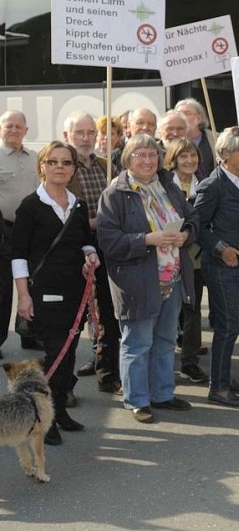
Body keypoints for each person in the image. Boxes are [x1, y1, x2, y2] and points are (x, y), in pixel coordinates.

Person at [96, 134, 197, 424]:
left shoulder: (169, 186)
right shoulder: (115, 194)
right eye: (140, 155)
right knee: (137, 343)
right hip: (137, 281)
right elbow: (109, 241)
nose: (147, 160)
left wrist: (186, 234)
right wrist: (147, 239)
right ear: (128, 159)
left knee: (165, 340)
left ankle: (162, 394)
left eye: (152, 155)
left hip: (172, 277)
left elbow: (193, 219)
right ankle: (138, 400)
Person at [12, 141, 99, 445]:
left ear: (74, 168)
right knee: (56, 354)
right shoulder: (30, 206)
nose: (60, 167)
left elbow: (85, 241)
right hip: (44, 292)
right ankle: (40, 419)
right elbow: (18, 254)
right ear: (43, 166)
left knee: (71, 353)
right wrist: (23, 296)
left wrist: (91, 254)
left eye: (66, 162)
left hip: (75, 292)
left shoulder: (79, 205)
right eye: (53, 162)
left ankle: (59, 410)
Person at [193, 128, 239, 407]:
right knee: (229, 325)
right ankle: (218, 388)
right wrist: (222, 249)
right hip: (222, 266)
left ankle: (224, 377)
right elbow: (197, 224)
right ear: (225, 153)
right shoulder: (214, 184)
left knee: (230, 325)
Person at [63, 111, 123, 396]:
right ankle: (64, 385)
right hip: (74, 249)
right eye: (79, 133)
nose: (86, 138)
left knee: (108, 311)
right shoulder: (61, 166)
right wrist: (94, 223)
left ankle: (107, 371)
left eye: (90, 133)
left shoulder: (105, 165)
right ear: (67, 136)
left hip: (106, 246)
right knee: (74, 315)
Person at [163, 138, 209, 385]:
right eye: (183, 157)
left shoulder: (204, 184)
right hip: (167, 257)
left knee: (192, 310)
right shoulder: (163, 186)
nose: (189, 161)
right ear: (173, 159)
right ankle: (163, 363)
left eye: (193, 156)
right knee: (167, 312)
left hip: (197, 258)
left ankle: (189, 363)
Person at [0, 110, 40, 355]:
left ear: (26, 130)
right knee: (3, 288)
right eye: (9, 125)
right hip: (2, 229)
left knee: (32, 284)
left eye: (19, 126)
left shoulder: (35, 157)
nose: (14, 130)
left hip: (30, 230)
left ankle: (28, 332)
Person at [175, 98, 216, 180]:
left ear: (198, 118)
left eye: (186, 113)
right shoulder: (172, 139)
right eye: (178, 113)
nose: (182, 117)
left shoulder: (215, 138)